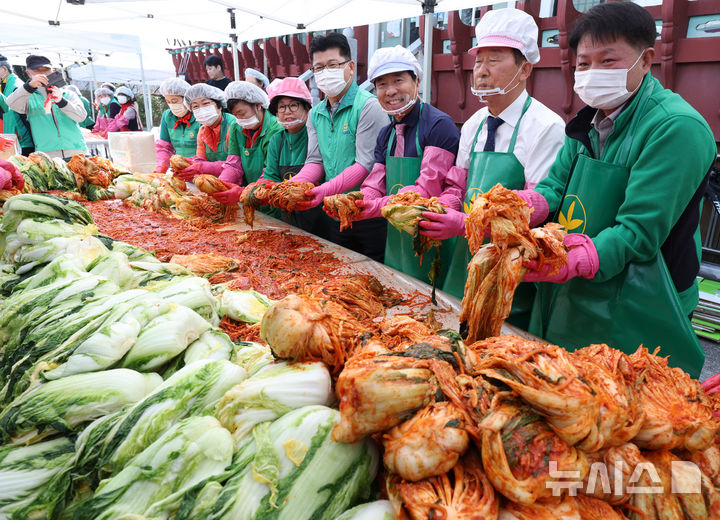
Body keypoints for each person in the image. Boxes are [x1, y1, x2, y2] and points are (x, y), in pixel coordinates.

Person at [508, 3, 714, 377]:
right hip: (580, 292)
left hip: (646, 299)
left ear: (646, 60)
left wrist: (572, 259)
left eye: (608, 60)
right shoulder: (588, 120)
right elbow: (555, 186)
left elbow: (638, 232)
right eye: (583, 63)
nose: (591, 73)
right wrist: (522, 206)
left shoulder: (676, 127)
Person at [419, 8, 565, 327]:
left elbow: (539, 207)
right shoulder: (473, 125)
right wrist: (444, 208)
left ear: (524, 68)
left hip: (508, 270)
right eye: (478, 61)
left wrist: (463, 223)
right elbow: (457, 186)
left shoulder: (546, 126)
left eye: (494, 60)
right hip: (463, 262)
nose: (481, 71)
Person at [350, 46, 461, 284]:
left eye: (398, 80)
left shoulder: (439, 125)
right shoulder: (385, 133)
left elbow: (426, 190)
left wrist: (371, 208)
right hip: (395, 239)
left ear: (417, 81)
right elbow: (375, 183)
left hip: (431, 236)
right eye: (381, 85)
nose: (390, 91)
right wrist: (356, 201)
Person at [289, 32, 389, 262]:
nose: (325, 73)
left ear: (351, 67)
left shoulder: (368, 106)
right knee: (340, 273)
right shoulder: (315, 113)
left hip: (366, 211)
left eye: (332, 65)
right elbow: (315, 160)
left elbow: (365, 164)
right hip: (333, 211)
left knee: (374, 277)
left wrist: (322, 191)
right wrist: (293, 186)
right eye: (319, 68)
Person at [259, 77, 320, 227]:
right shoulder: (276, 140)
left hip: (317, 212)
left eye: (293, 105)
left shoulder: (316, 135)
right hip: (287, 214)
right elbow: (271, 175)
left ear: (307, 107)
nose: (287, 112)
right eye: (281, 107)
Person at [211, 81, 283, 205]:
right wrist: (220, 186)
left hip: (270, 197)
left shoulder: (276, 130)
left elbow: (270, 173)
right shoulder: (236, 127)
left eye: (242, 113)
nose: (240, 119)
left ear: (258, 105)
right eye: (235, 115)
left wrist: (243, 193)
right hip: (247, 195)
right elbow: (233, 164)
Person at [6, 55, 87, 160]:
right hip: (48, 156)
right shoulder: (28, 97)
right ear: (28, 73)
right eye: (37, 71)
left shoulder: (68, 93)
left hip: (77, 152)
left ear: (52, 70)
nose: (43, 74)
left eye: (46, 70)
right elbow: (11, 104)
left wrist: (62, 101)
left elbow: (81, 117)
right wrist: (29, 86)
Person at [176, 83, 235, 181]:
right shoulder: (203, 131)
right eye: (195, 107)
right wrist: (187, 163)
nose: (201, 109)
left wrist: (202, 167)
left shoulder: (233, 126)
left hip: (237, 182)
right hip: (214, 181)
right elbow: (201, 159)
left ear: (219, 106)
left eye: (206, 103)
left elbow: (235, 164)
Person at [154, 77, 201, 173]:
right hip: (179, 170)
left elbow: (207, 151)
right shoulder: (167, 116)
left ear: (186, 98)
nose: (172, 105)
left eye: (175, 101)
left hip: (201, 170)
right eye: (168, 102)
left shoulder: (199, 116)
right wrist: (162, 166)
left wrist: (197, 167)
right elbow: (164, 147)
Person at [0, 55, 34, 155]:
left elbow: (7, 108)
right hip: (14, 140)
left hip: (22, 141)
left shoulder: (16, 85)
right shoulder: (6, 84)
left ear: (4, 69)